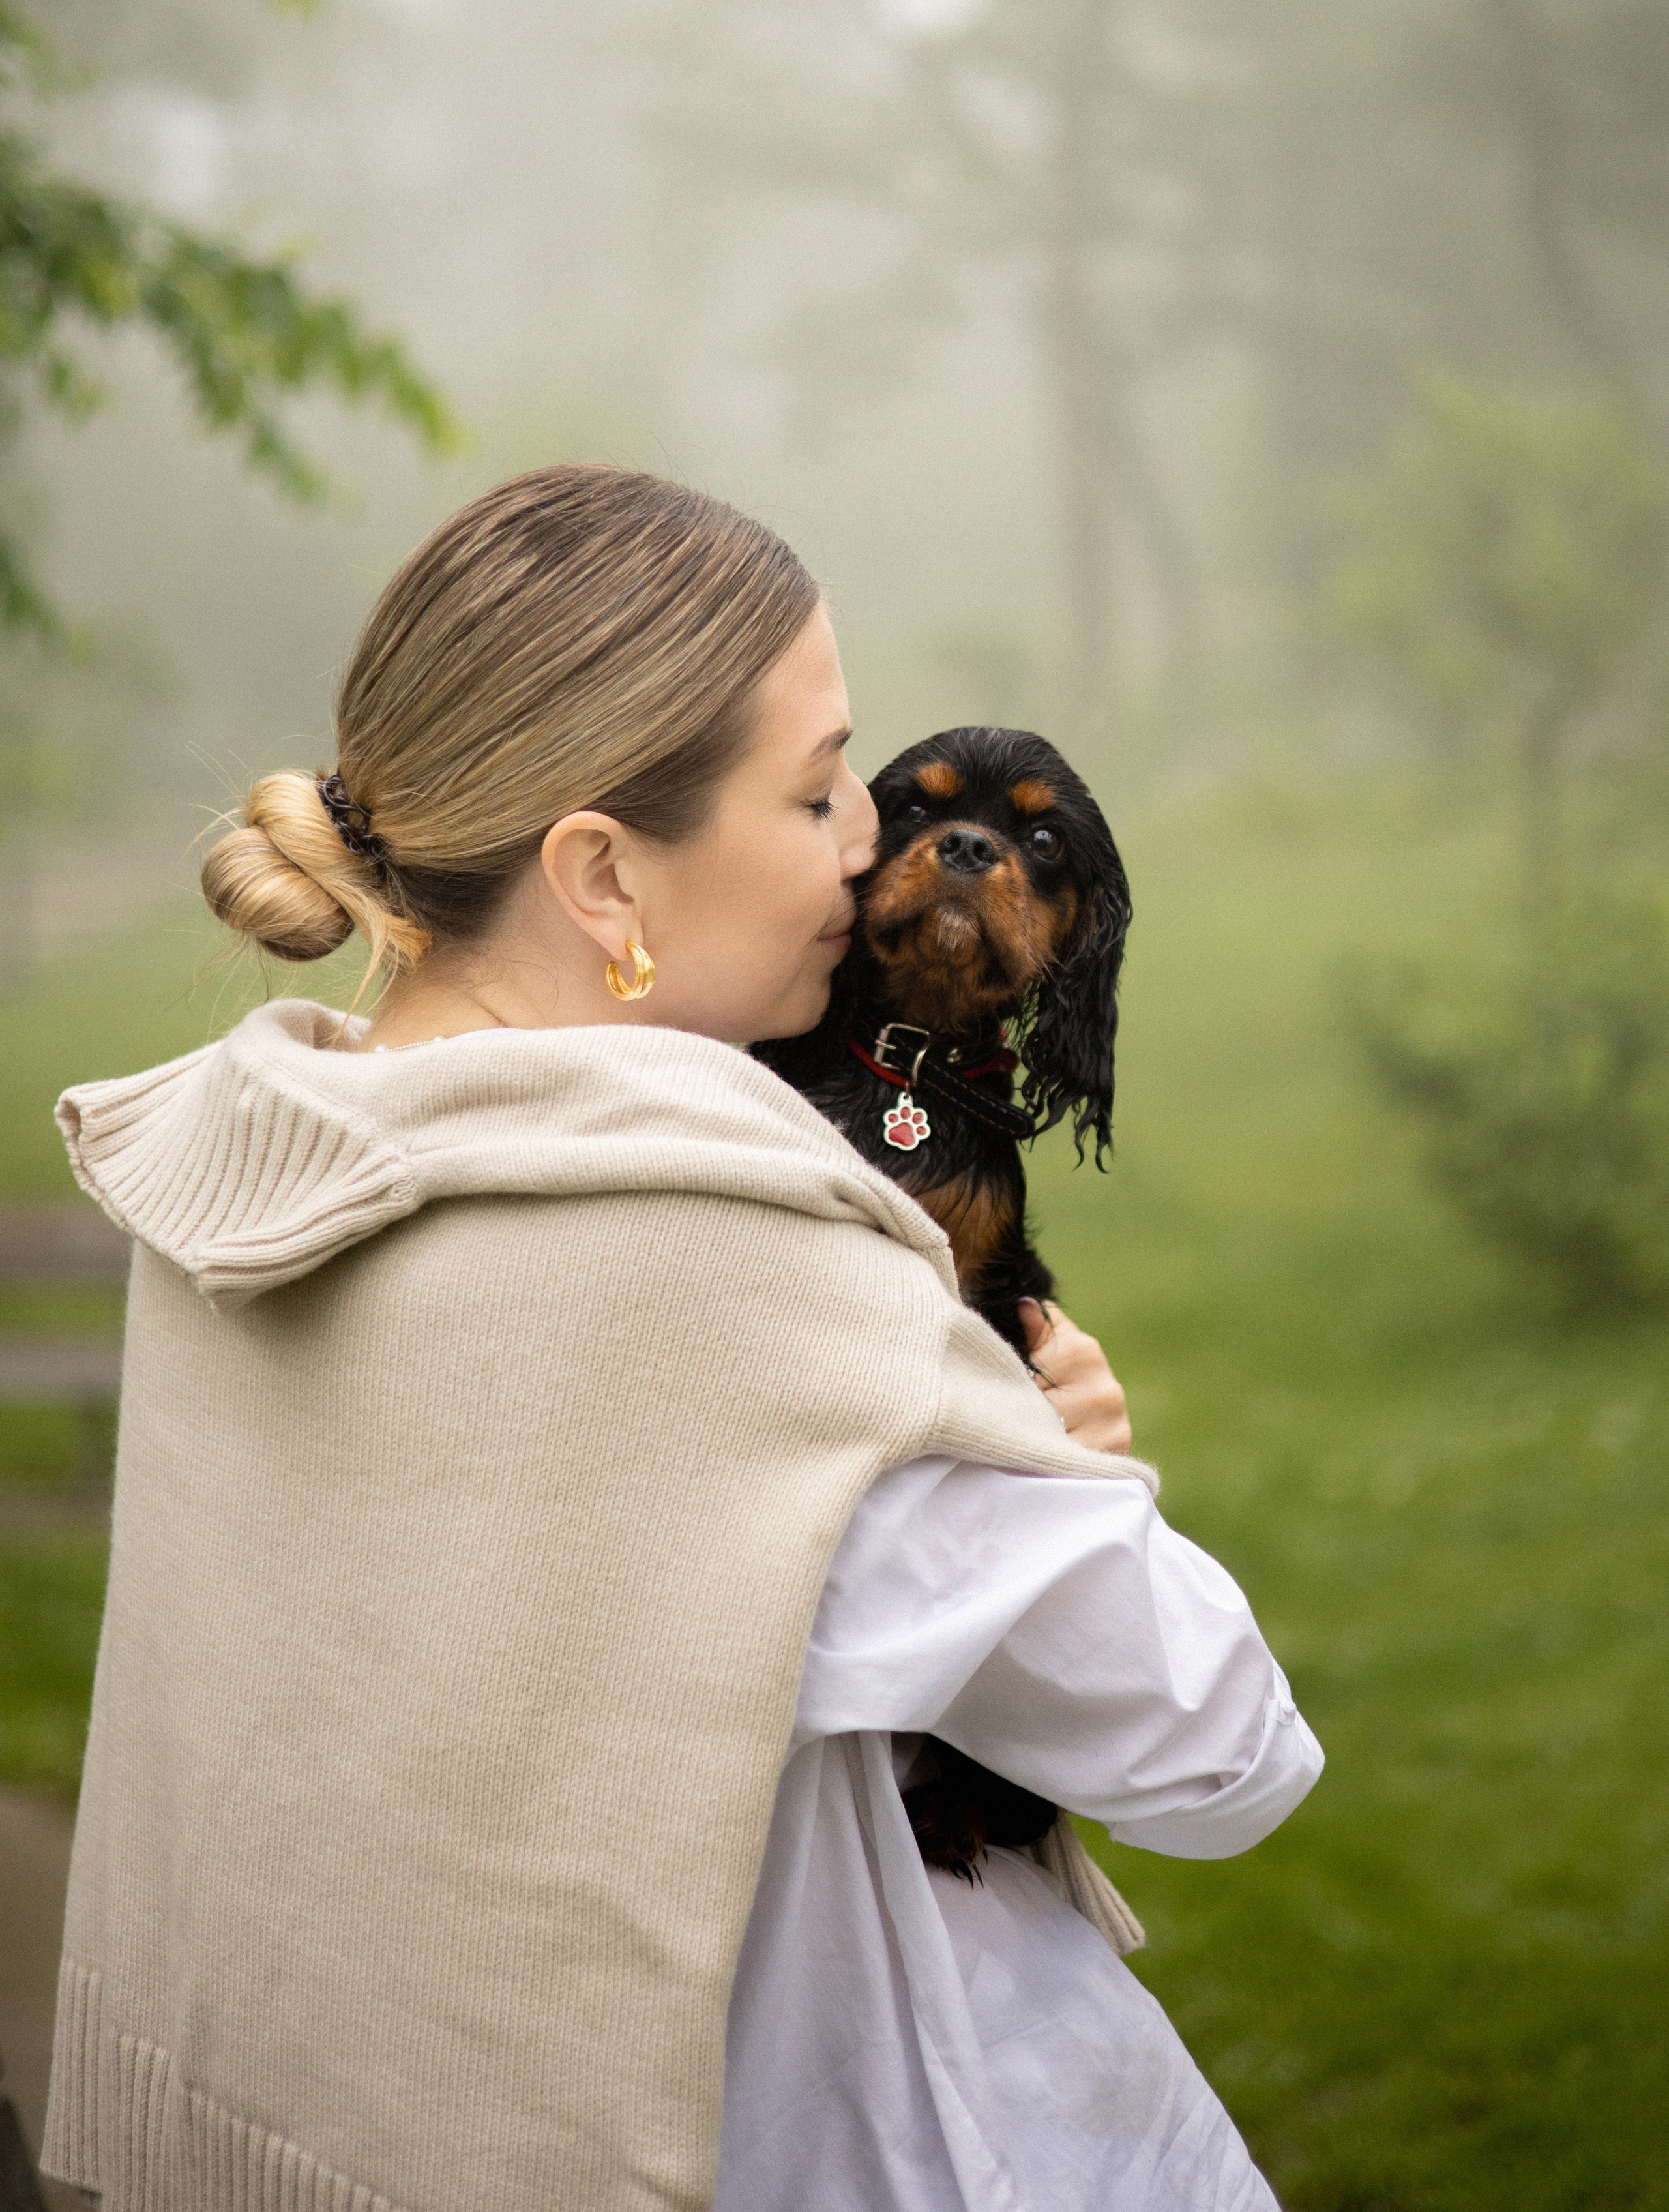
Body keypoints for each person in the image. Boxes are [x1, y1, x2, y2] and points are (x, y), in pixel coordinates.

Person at [41, 466, 1320, 2212]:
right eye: (816, 798)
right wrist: (1080, 1470)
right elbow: (1220, 1747)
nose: (866, 848)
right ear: (604, 874)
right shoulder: (745, 1270)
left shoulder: (237, 1167)